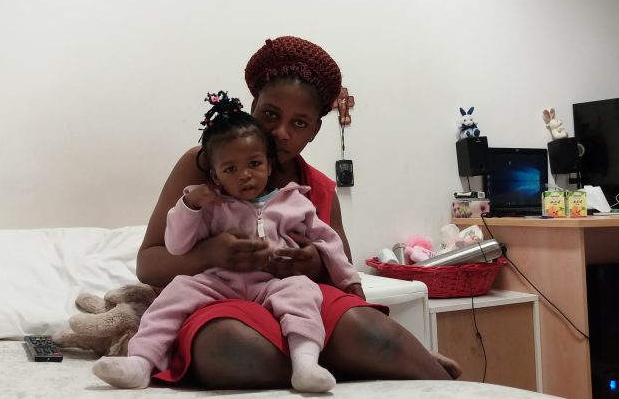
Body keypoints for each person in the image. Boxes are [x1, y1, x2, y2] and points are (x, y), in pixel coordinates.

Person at [136, 36, 461, 388]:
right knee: (230, 346)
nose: (280, 133)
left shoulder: (317, 189)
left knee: (372, 333)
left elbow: (345, 276)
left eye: (299, 123)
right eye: (270, 115)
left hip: (297, 300)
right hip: (220, 297)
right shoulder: (203, 166)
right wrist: (210, 254)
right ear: (253, 107)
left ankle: (439, 383)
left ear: (315, 131)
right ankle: (347, 367)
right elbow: (148, 264)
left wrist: (315, 264)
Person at [93, 91, 362, 392]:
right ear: (216, 175)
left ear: (268, 165)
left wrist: (347, 279)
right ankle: (140, 363)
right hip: (218, 283)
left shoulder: (294, 200)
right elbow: (177, 245)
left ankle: (306, 364)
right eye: (231, 169)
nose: (245, 175)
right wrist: (190, 206)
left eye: (254, 164)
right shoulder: (213, 205)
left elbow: (328, 241)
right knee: (177, 291)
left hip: (271, 282)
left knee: (302, 292)